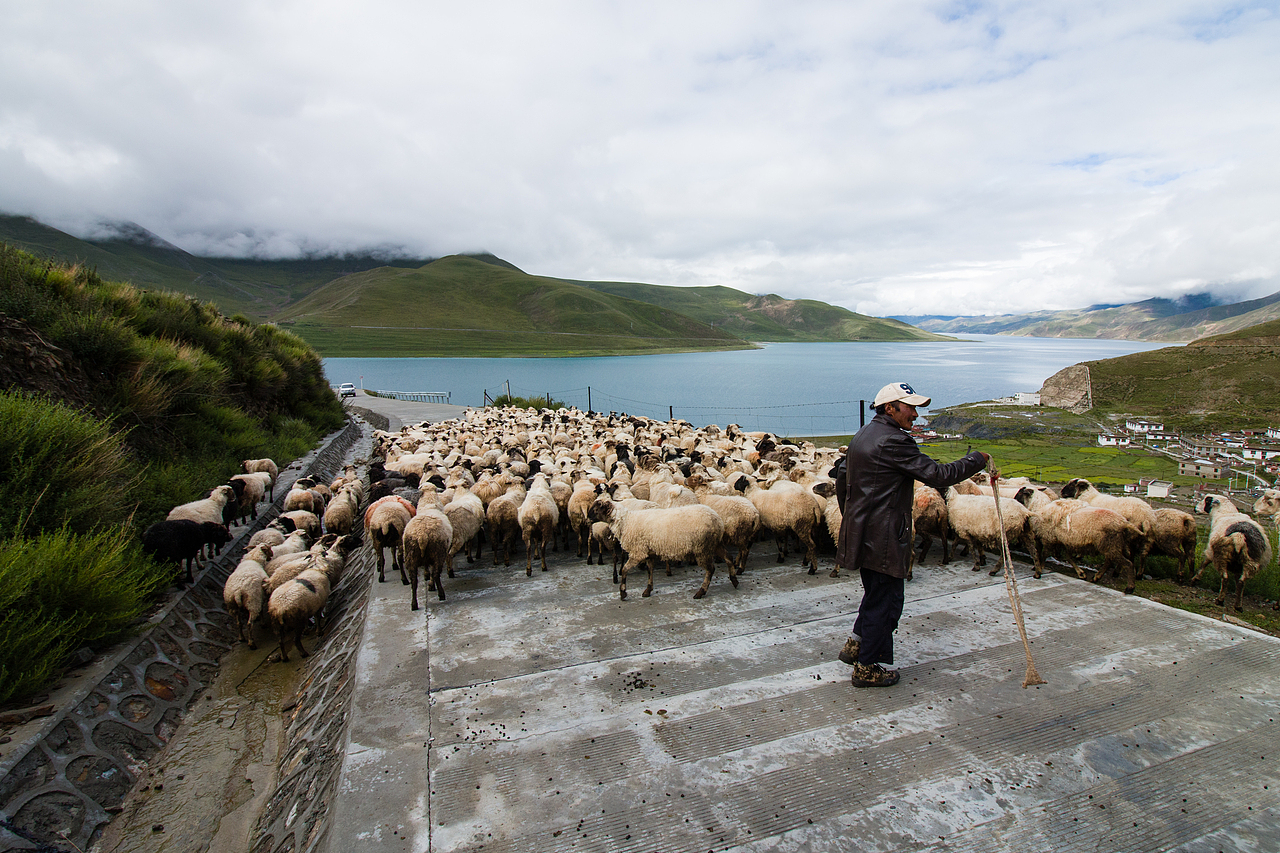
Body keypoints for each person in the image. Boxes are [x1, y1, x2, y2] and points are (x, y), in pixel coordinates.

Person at [835, 382, 991, 687]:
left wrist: (853, 518)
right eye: (910, 407)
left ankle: (856, 643)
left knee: (876, 593)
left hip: (863, 531)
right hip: (884, 536)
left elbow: (843, 479)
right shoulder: (894, 441)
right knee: (888, 602)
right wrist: (977, 459)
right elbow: (938, 475)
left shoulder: (864, 434)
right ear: (890, 408)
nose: (916, 415)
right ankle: (867, 668)